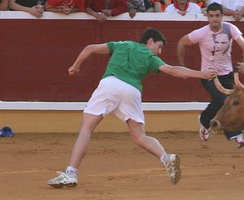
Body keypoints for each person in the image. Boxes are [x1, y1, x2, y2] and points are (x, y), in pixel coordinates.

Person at [46, 28, 217, 188]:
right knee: (139, 136)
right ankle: (166, 157)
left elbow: (89, 48)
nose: (160, 51)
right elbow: (173, 70)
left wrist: (75, 66)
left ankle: (71, 173)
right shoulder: (150, 58)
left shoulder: (122, 45)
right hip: (131, 91)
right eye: (159, 47)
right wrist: (201, 74)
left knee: (86, 130)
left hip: (110, 84)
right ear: (150, 41)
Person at [176, 2, 244, 148]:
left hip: (227, 74)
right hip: (209, 75)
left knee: (218, 103)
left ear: (222, 16)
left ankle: (204, 121)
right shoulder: (201, 33)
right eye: (211, 16)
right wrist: (181, 65)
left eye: (217, 16)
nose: (214, 19)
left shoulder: (230, 28)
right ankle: (236, 136)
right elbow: (181, 43)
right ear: (207, 17)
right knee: (227, 102)